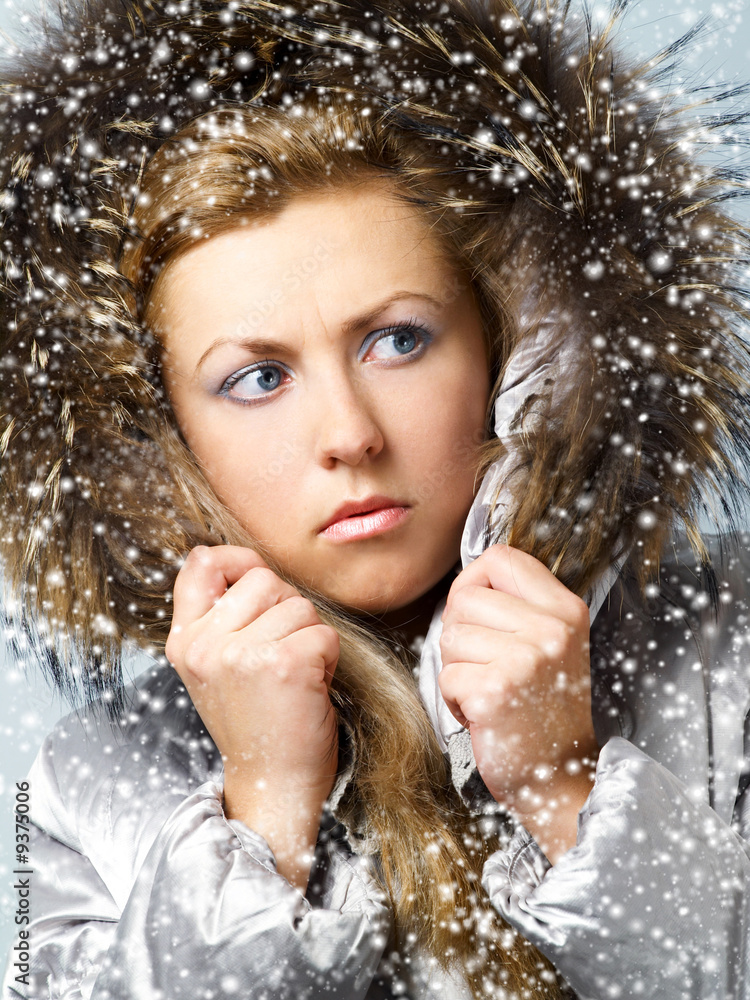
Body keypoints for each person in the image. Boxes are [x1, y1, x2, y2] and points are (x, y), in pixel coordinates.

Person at [1, 0, 749, 997]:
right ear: (164, 442)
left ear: (511, 348)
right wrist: (265, 808)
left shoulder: (725, 645)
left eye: (396, 339)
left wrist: (564, 787)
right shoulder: (79, 782)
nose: (350, 433)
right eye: (257, 379)